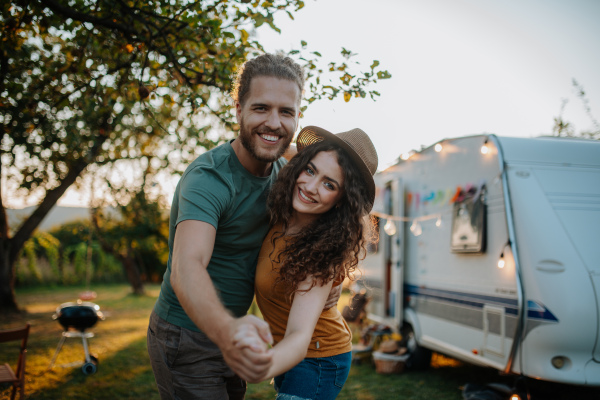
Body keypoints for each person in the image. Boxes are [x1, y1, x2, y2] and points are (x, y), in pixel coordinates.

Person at [146, 54, 341, 400]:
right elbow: (186, 266)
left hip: (237, 332)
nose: (274, 123)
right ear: (238, 110)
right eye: (260, 108)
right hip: (186, 334)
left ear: (297, 117)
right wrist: (228, 331)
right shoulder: (209, 178)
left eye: (286, 112)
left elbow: (337, 177)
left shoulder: (288, 174)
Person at [237, 126, 378, 399]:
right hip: (286, 350)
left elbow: (300, 337)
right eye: (310, 170)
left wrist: (258, 366)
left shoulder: (321, 255)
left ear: (342, 200)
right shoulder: (284, 212)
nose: (310, 187)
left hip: (319, 359)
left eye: (329, 184)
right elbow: (276, 147)